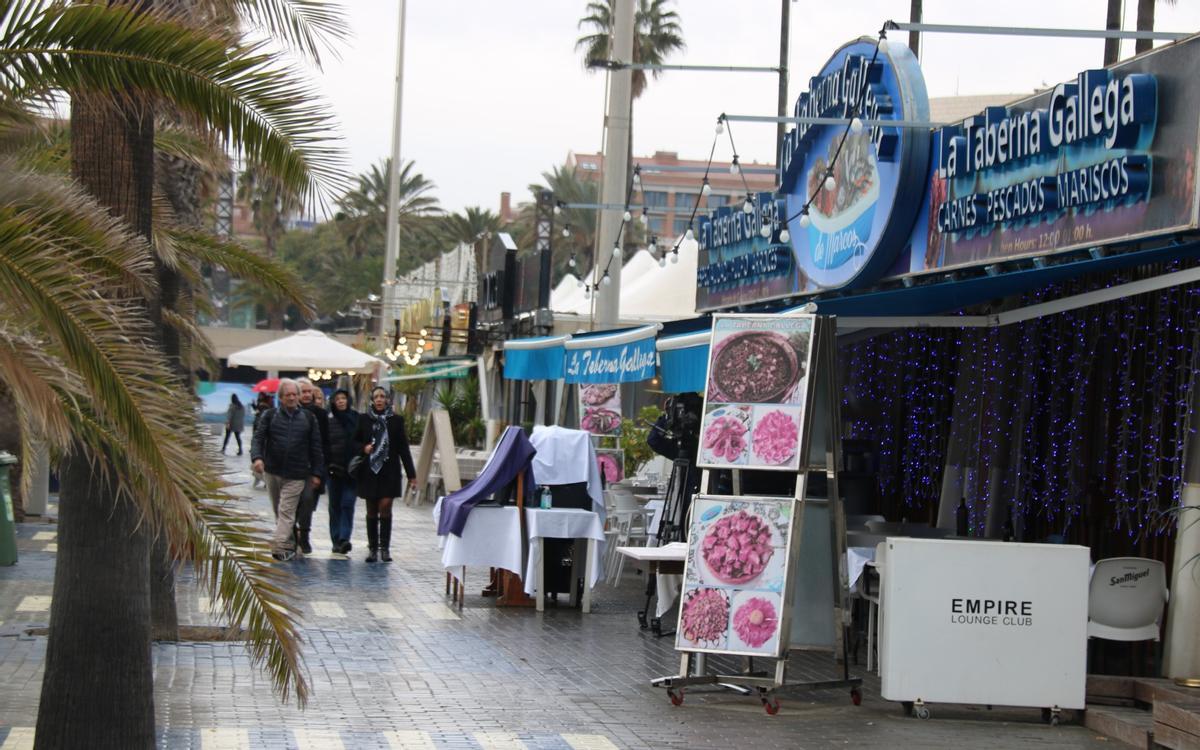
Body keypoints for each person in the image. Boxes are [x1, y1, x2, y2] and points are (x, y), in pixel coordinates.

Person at [250, 379, 324, 561]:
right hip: (273, 471)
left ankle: (279, 545)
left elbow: (316, 447)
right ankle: (289, 542)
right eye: (288, 395)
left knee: (286, 510)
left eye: (294, 394)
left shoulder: (308, 418)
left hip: (296, 473)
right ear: (281, 398)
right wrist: (257, 458)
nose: (292, 398)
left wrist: (317, 472)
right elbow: (258, 439)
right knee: (278, 510)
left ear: (298, 397)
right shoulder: (269, 416)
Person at [352, 386, 416, 563]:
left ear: (388, 400)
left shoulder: (396, 420)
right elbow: (354, 442)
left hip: (389, 471)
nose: (379, 399)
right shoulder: (363, 419)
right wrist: (363, 448)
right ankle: (372, 548)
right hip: (369, 470)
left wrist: (412, 474)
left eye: (382, 396)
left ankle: (385, 548)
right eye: (376, 397)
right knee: (371, 509)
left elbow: (403, 448)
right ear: (372, 400)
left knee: (385, 506)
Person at [294, 377, 332, 554]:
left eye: (310, 391)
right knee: (291, 502)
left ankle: (305, 534)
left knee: (308, 501)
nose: (307, 395)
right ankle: (293, 533)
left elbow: (324, 444)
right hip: (291, 467)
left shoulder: (320, 414)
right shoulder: (288, 412)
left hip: (312, 467)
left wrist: (320, 471)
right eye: (304, 391)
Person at [326, 389, 359, 554]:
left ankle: (344, 538)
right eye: (337, 399)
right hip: (334, 470)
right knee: (334, 506)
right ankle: (335, 539)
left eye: (343, 398)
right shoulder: (329, 421)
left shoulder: (356, 419)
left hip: (352, 471)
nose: (340, 401)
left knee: (347, 504)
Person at [250, 392, 274, 489]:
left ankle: (264, 479)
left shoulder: (266, 406)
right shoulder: (263, 403)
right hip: (260, 431)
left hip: (263, 434)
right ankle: (262, 478)